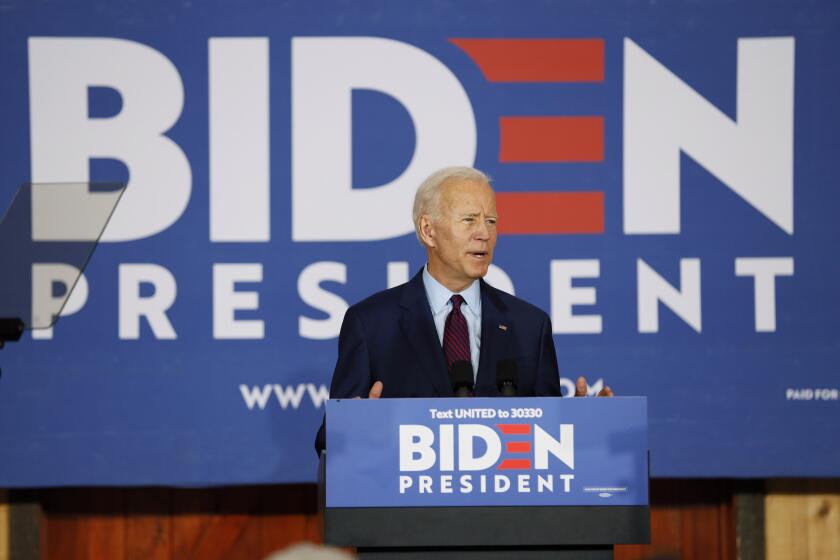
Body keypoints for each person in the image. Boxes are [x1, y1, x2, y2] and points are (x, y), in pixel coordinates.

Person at [314, 166, 611, 453]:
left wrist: (577, 424)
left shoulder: (529, 325)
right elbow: (329, 443)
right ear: (428, 230)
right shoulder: (372, 324)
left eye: (491, 221)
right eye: (469, 220)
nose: (484, 233)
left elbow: (546, 435)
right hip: (407, 499)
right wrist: (353, 426)